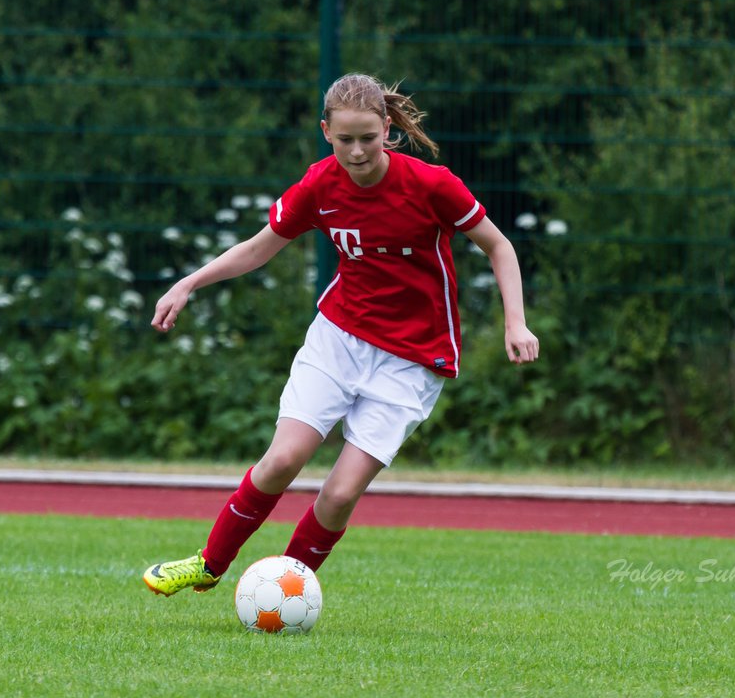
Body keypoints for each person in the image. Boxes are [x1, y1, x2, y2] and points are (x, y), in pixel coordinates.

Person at [143, 72, 539, 596]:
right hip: (340, 337)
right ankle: (210, 562)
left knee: (338, 494)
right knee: (282, 459)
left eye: (368, 139)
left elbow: (499, 246)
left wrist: (516, 321)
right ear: (325, 130)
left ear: (388, 129)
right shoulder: (319, 185)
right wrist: (189, 283)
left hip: (413, 358)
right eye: (345, 139)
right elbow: (260, 248)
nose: (357, 152)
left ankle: (279, 591)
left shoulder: (431, 184)